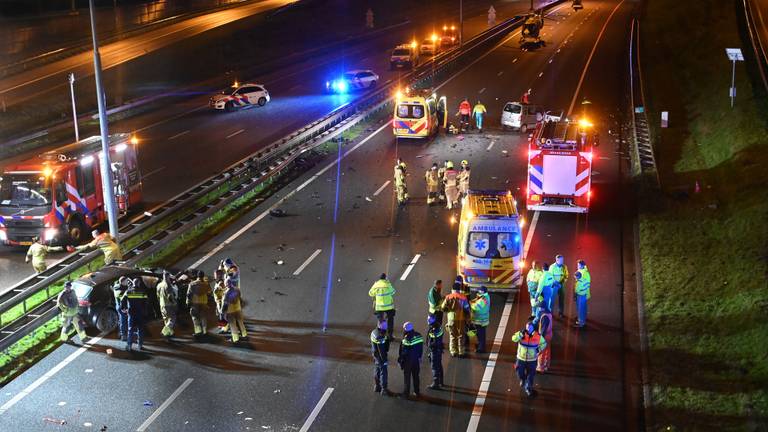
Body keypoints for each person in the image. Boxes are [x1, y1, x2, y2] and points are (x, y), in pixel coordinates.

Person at [511, 317, 547, 397]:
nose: (528, 330)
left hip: (532, 360)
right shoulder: (521, 333)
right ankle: (523, 379)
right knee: (519, 372)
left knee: (531, 375)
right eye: (527, 328)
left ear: (533, 329)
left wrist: (538, 350)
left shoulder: (537, 336)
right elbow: (513, 339)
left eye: (529, 328)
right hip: (521, 358)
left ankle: (528, 388)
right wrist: (520, 335)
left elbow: (544, 344)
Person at [442, 282, 469, 357]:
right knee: (461, 335)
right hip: (460, 319)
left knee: (452, 335)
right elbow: (467, 309)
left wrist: (448, 311)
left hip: (451, 319)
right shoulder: (463, 297)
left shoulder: (448, 297)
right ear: (459, 289)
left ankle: (453, 351)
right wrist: (468, 318)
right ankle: (461, 351)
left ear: (452, 289)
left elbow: (443, 308)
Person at [121, 277, 149, 351]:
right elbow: (146, 303)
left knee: (130, 329)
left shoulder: (128, 291)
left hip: (131, 313)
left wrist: (124, 309)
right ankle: (140, 345)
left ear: (133, 283)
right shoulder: (143, 292)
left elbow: (122, 301)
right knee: (140, 329)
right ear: (139, 283)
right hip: (140, 313)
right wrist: (145, 312)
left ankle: (129, 345)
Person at [398, 322, 424, 399]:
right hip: (416, 359)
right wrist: (419, 357)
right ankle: (417, 391)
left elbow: (404, 352)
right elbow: (421, 348)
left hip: (408, 361)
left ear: (405, 329)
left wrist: (400, 360)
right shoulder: (419, 335)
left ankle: (406, 394)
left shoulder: (406, 338)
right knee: (416, 376)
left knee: (407, 377)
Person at [369, 273, 396, 340]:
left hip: (379, 307)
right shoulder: (387, 284)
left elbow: (370, 293)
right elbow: (393, 292)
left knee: (380, 321)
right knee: (390, 320)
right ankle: (390, 336)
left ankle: (380, 336)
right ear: (385, 278)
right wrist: (389, 283)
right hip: (388, 306)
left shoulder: (376, 284)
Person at [186, 270, 212, 338]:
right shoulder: (206, 284)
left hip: (195, 302)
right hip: (203, 302)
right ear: (203, 276)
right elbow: (209, 292)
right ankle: (205, 331)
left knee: (195, 317)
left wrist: (188, 302)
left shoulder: (192, 284)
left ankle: (198, 331)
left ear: (197, 276)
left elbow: (189, 294)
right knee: (203, 317)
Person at [370, 320, 390, 396]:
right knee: (383, 372)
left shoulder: (373, 332)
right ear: (380, 325)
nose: (386, 326)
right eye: (385, 325)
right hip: (380, 357)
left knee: (377, 370)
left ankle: (377, 386)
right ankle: (384, 389)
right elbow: (381, 350)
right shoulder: (380, 336)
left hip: (375, 355)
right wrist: (384, 360)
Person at [156, 271, 178, 340]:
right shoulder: (168, 285)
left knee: (166, 319)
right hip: (168, 304)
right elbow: (170, 296)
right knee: (172, 318)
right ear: (168, 276)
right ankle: (164, 332)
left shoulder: (159, 285)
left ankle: (169, 333)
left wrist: (160, 302)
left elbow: (158, 296)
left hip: (161, 304)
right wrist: (174, 303)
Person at [470, 286, 491, 353]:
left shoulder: (483, 299)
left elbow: (477, 307)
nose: (478, 292)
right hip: (482, 320)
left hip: (480, 320)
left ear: (482, 292)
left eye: (479, 291)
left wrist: (470, 304)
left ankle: (481, 348)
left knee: (481, 334)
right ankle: (480, 345)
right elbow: (477, 301)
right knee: (481, 334)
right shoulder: (484, 297)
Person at [534, 302, 553, 372]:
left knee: (541, 352)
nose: (538, 309)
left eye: (539, 308)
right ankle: (546, 365)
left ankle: (540, 367)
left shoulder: (544, 316)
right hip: (549, 335)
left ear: (542, 308)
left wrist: (540, 338)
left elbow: (543, 329)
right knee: (547, 350)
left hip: (544, 337)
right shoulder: (549, 314)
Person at [426, 315, 444, 390]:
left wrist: (430, 346)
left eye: (428, 319)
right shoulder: (438, 326)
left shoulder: (434, 329)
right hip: (438, 350)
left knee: (434, 367)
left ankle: (436, 383)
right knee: (439, 365)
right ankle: (441, 381)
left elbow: (434, 341)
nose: (427, 320)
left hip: (435, 351)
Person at [550, 254, 569, 319]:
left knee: (562, 299)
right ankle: (550, 313)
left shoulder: (564, 266)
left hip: (561, 285)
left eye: (563, 260)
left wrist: (563, 281)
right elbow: (550, 276)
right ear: (557, 260)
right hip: (554, 285)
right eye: (561, 260)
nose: (563, 261)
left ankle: (561, 313)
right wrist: (555, 283)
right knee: (552, 299)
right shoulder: (552, 267)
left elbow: (566, 275)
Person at [113, 276, 129, 341]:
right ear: (122, 282)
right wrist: (125, 309)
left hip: (118, 306)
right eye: (126, 281)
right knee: (123, 321)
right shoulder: (120, 291)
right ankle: (123, 335)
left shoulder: (116, 286)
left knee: (120, 320)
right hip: (121, 307)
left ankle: (120, 333)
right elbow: (123, 300)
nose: (127, 282)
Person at [212, 269, 228, 333]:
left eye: (216, 275)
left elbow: (223, 292)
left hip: (221, 301)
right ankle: (222, 326)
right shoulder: (218, 282)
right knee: (220, 314)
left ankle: (225, 328)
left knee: (223, 315)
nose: (215, 276)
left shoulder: (221, 283)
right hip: (218, 301)